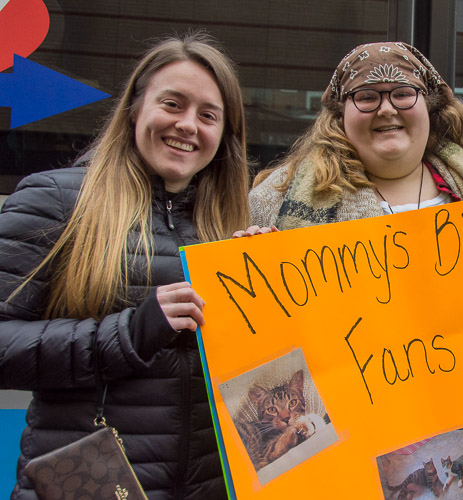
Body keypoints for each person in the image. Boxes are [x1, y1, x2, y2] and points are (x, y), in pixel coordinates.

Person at [0, 31, 248, 498]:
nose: (188, 125)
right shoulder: (55, 200)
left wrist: (265, 286)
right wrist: (131, 333)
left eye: (208, 115)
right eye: (172, 104)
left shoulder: (228, 225)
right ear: (135, 109)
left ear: (225, 135)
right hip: (93, 483)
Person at [237, 41, 463, 306]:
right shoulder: (274, 200)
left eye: (403, 94)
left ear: (429, 107)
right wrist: (248, 269)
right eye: (366, 96)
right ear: (340, 115)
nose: (386, 109)